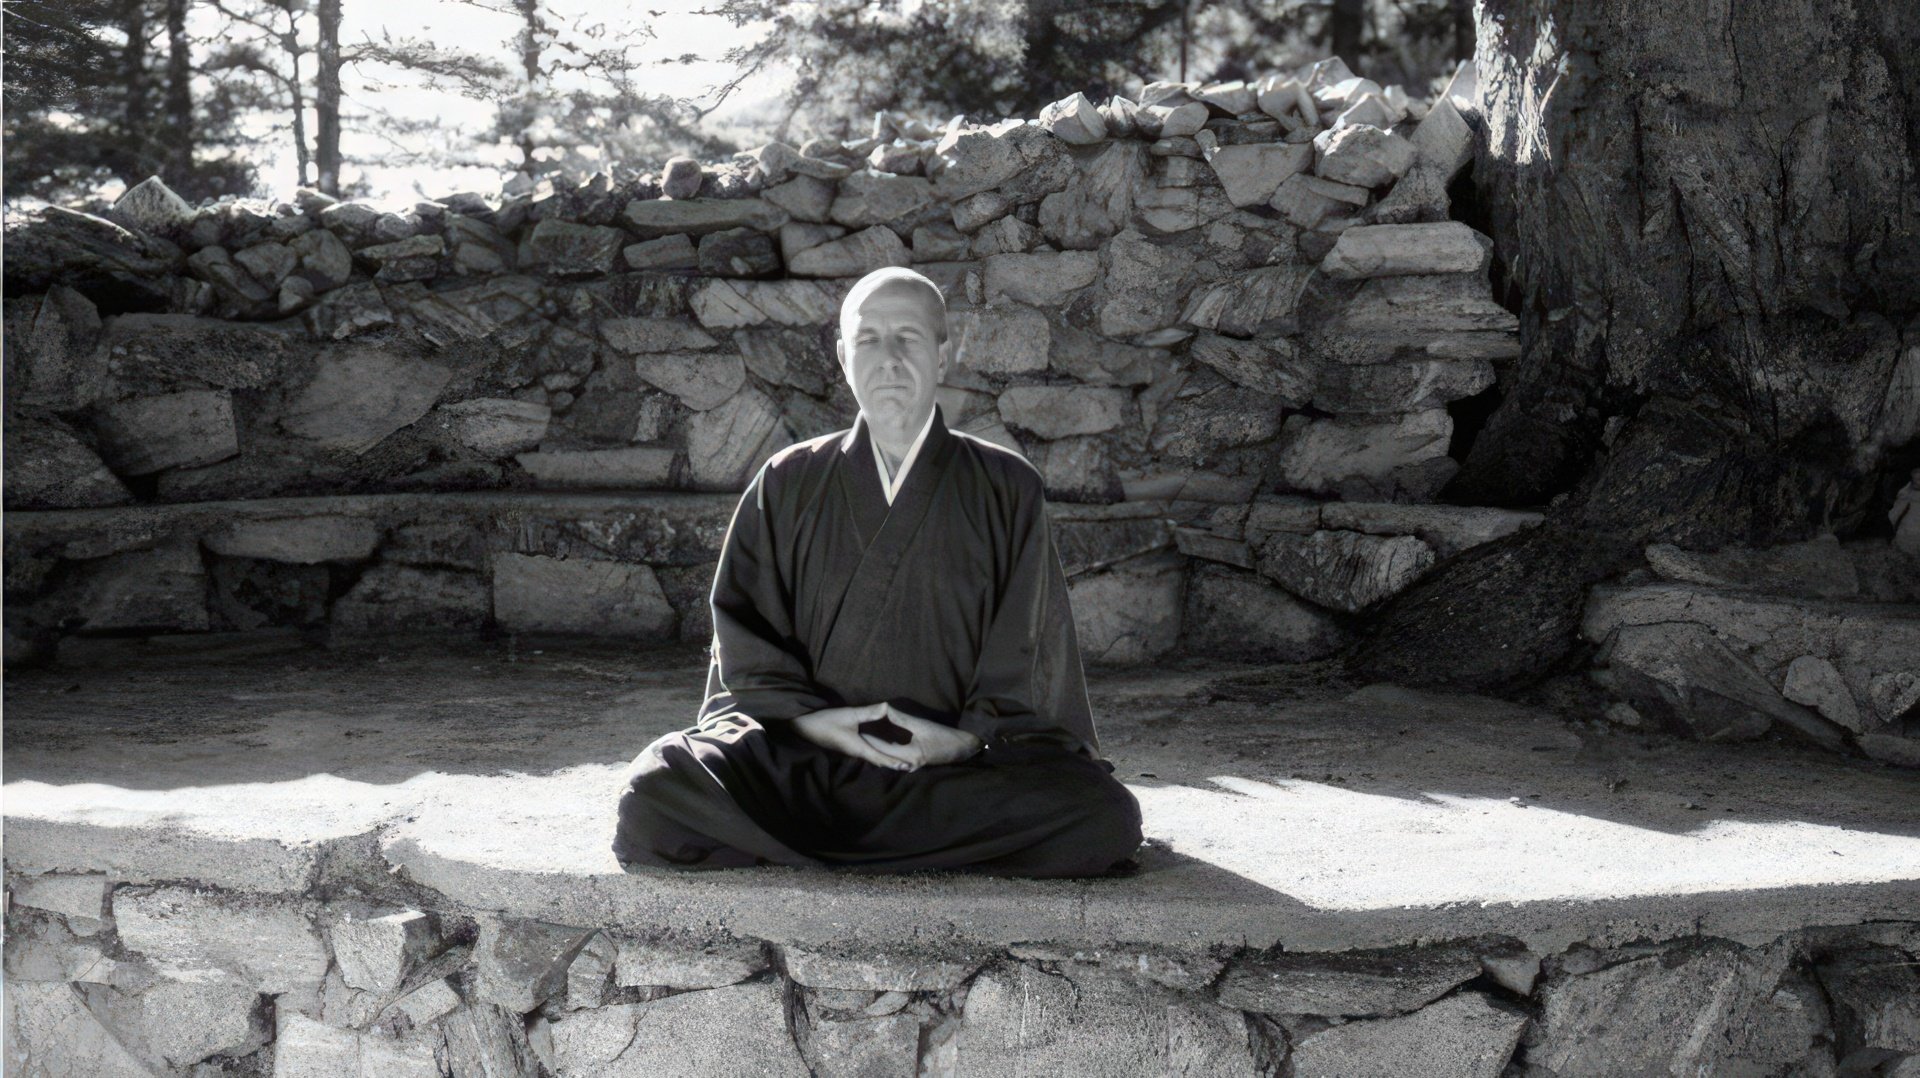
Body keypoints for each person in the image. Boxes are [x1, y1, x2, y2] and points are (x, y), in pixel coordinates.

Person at [611, 266, 1144, 878]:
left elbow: (1026, 651)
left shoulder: (1006, 485)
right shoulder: (788, 479)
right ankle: (929, 848)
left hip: (948, 766)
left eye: (909, 338)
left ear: (943, 355)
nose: (888, 359)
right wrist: (820, 725)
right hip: (811, 758)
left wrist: (963, 739)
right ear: (843, 357)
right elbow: (747, 646)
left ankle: (806, 843)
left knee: (1100, 814)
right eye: (868, 340)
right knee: (655, 789)